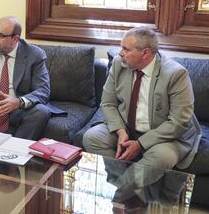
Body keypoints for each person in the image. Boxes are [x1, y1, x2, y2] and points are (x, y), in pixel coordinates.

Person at [83, 27, 201, 170]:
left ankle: (124, 189)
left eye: (126, 49)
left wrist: (140, 144)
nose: (121, 53)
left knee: (162, 157)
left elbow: (178, 122)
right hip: (127, 127)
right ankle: (126, 183)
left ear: (145, 53)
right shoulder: (119, 63)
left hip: (162, 135)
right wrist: (121, 131)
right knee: (92, 138)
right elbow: (108, 103)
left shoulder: (176, 74)